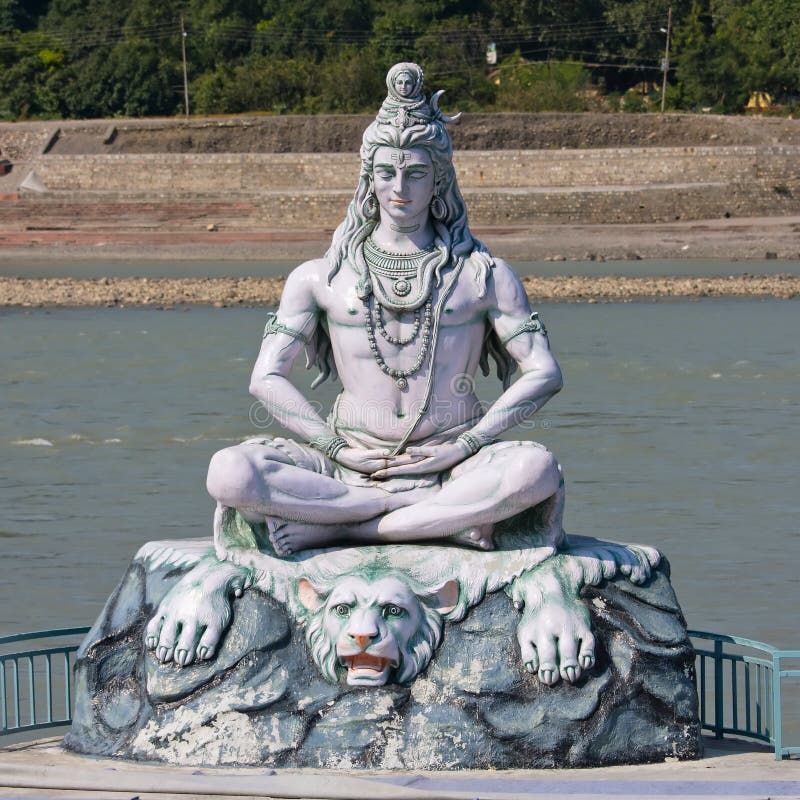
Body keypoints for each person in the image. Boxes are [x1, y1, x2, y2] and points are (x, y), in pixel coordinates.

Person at [206, 62, 565, 557]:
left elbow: (543, 372)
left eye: (416, 173)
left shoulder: (483, 273)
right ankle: (423, 521)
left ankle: (346, 526)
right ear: (367, 179)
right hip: (348, 464)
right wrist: (334, 448)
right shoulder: (319, 276)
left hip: (451, 463)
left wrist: (467, 445)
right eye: (386, 172)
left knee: (534, 470)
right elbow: (265, 378)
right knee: (229, 472)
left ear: (438, 179)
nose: (400, 188)